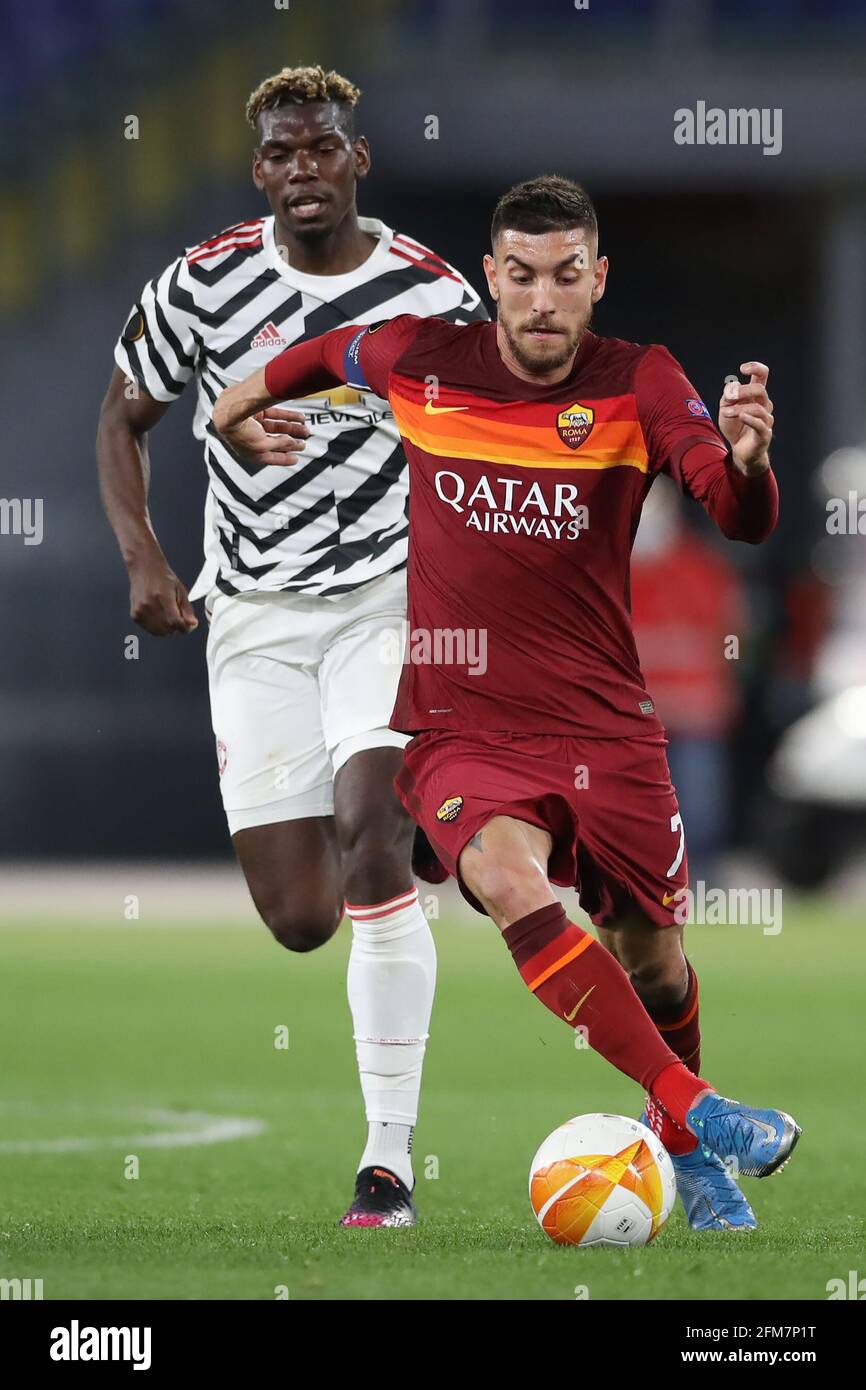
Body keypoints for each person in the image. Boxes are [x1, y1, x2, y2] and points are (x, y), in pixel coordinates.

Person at [212, 174, 802, 1231]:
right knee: (500, 871)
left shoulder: (640, 381)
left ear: (597, 279)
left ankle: (687, 1143)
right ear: (488, 278)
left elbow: (733, 509)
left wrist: (749, 461)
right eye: (520, 277)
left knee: (654, 962)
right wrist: (235, 409)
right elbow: (313, 356)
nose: (541, 300)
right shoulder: (419, 359)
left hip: (604, 725)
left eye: (564, 277)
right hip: (460, 720)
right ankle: (695, 1109)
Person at [97, 65, 488, 1228]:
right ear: (256, 167)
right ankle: (413, 853)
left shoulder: (430, 295)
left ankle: (386, 1162)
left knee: (369, 837)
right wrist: (145, 560)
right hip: (255, 618)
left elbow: (481, 448)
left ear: (357, 158)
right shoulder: (202, 282)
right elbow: (123, 414)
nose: (300, 169)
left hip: (386, 597)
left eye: (321, 148)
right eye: (279, 153)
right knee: (300, 917)